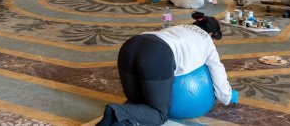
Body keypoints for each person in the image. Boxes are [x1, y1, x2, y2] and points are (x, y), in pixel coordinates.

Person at [96, 12, 238, 126]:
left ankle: (117, 121)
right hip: (155, 56)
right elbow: (219, 79)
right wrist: (230, 96)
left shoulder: (181, 27)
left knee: (138, 102)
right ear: (211, 34)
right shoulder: (208, 42)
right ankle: (114, 111)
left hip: (131, 45)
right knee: (159, 114)